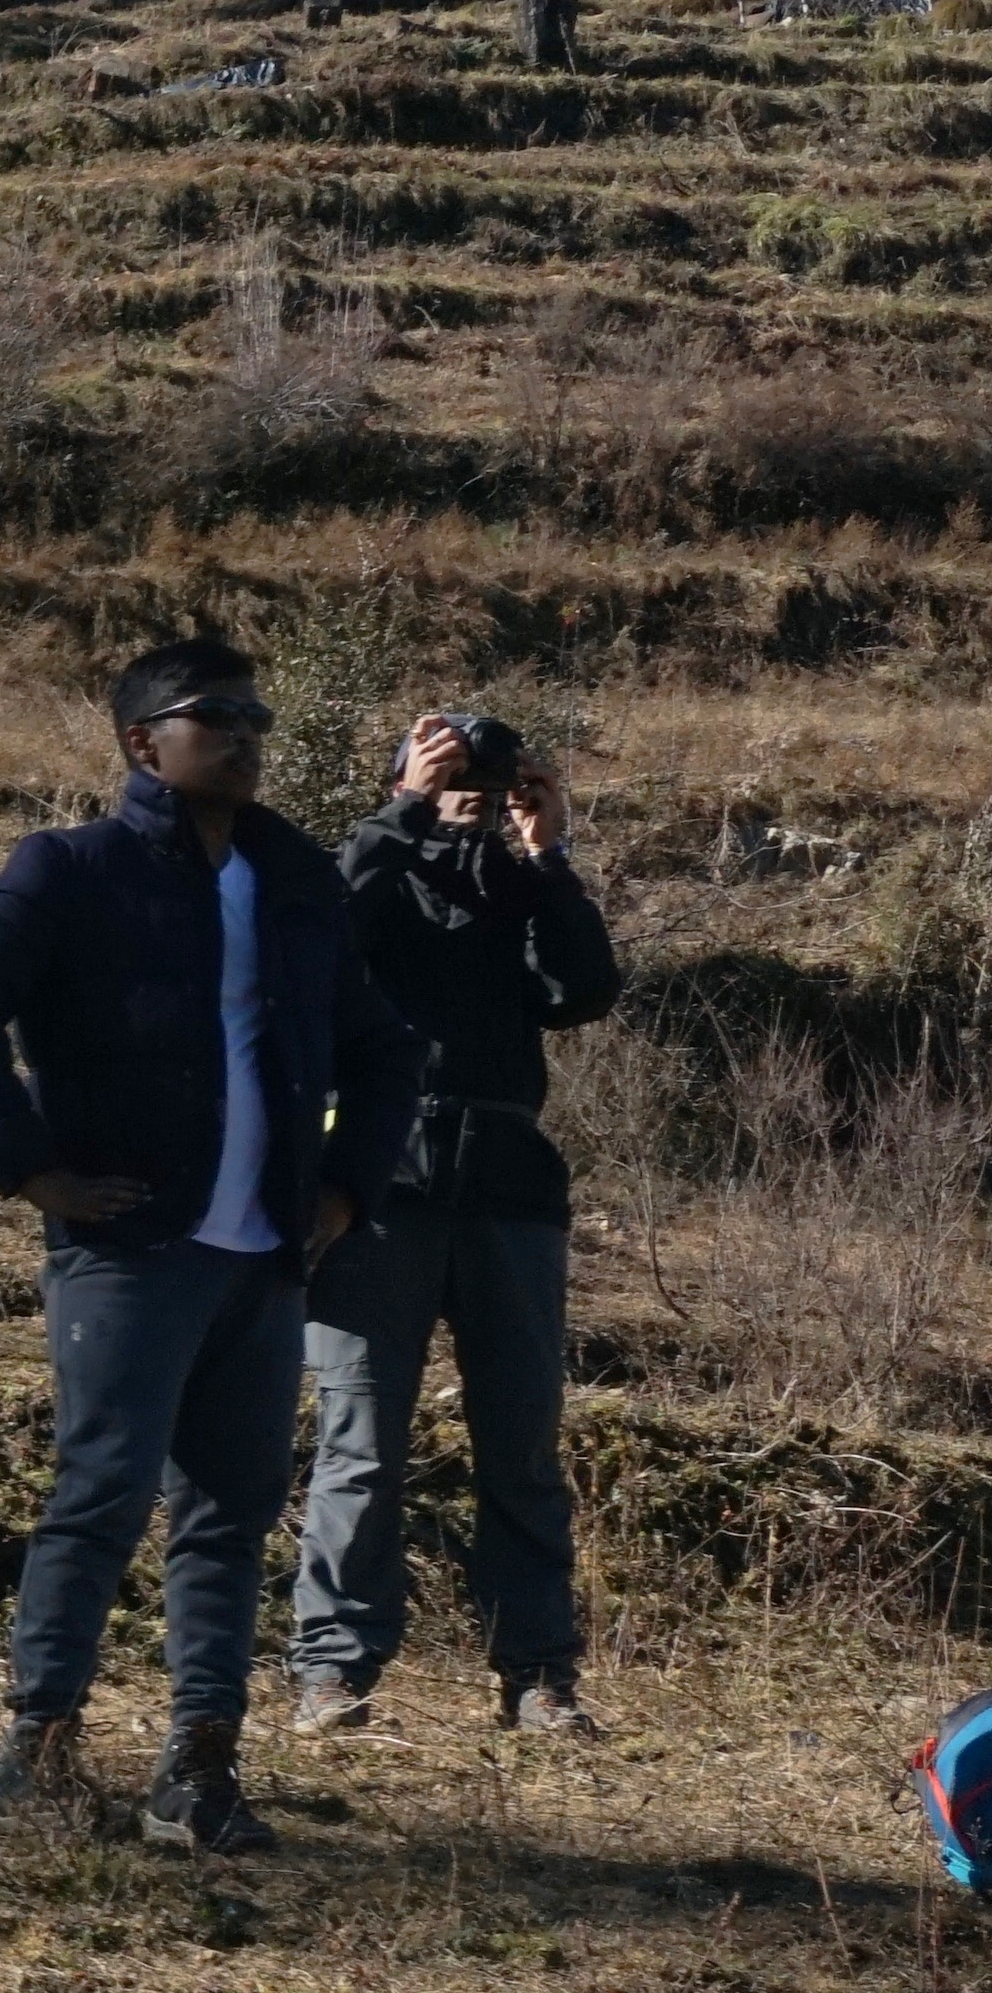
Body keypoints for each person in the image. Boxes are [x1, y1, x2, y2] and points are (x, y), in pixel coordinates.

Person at [0, 636, 420, 1855]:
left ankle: (199, 1771)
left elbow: (384, 1046)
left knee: (229, 1519)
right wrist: (29, 1166)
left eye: (256, 715)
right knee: (101, 1495)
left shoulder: (295, 872)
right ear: (146, 741)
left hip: (264, 1260)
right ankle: (38, 1755)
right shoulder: (71, 871)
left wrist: (345, 1189)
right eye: (214, 715)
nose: (245, 734)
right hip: (130, 1246)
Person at [296, 712, 621, 1739]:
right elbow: (321, 933)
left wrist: (548, 848)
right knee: (360, 1444)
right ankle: (334, 1673)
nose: (467, 788)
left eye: (481, 774)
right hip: (376, 1189)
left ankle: (538, 1677)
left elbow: (583, 990)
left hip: (509, 1192)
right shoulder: (376, 872)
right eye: (447, 769)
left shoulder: (519, 887)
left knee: (521, 1444)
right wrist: (403, 806)